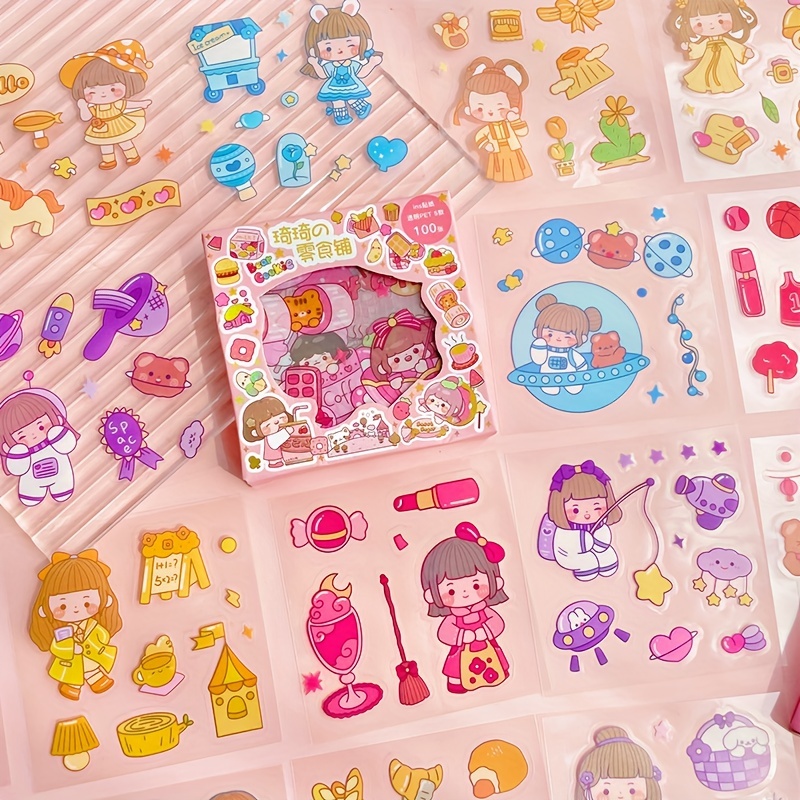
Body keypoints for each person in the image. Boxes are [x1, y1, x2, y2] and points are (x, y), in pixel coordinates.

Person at [420, 522, 509, 693]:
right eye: (451, 590)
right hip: (462, 648)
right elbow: (444, 633)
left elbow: (497, 623)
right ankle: (456, 681)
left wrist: (486, 631)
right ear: (432, 594)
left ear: (495, 581)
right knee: (456, 666)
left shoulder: (486, 611)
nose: (466, 594)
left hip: (486, 645)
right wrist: (462, 635)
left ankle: (500, 672)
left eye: (476, 585)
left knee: (495, 661)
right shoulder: (452, 618)